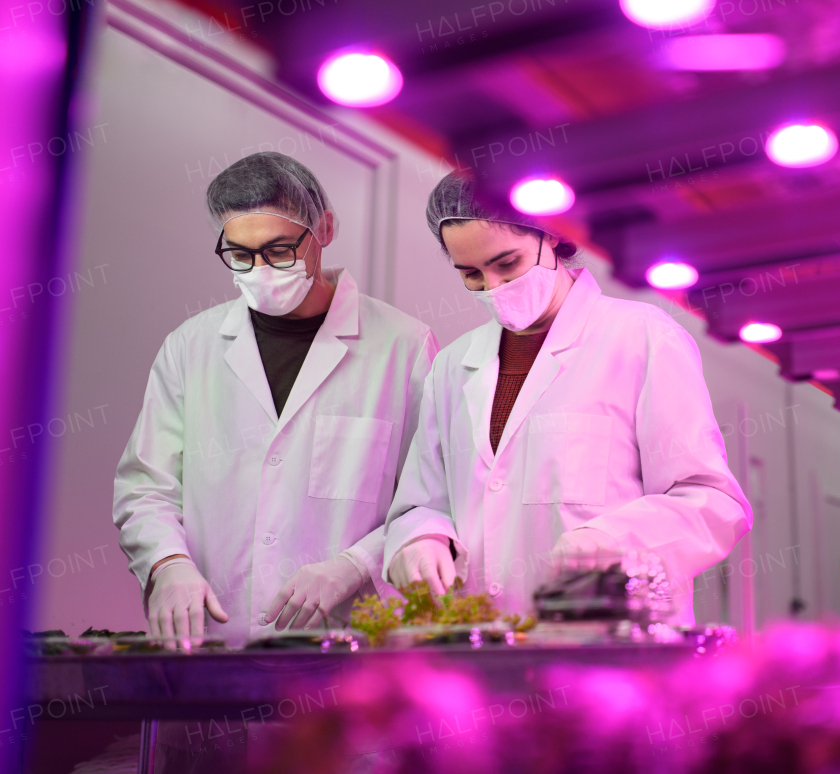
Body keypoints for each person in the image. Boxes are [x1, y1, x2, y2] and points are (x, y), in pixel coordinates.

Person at [383, 172, 750, 623]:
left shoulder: (641, 336)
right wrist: (420, 537)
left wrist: (613, 542)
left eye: (508, 264)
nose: (493, 286)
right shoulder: (452, 366)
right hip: (483, 644)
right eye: (472, 275)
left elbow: (711, 502)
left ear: (552, 235)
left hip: (610, 645)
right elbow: (421, 502)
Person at [113, 152, 438, 645]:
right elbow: (145, 485)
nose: (260, 270)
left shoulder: (403, 345)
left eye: (279, 250)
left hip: (345, 639)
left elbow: (429, 498)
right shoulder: (191, 345)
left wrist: (354, 566)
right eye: (241, 255)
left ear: (324, 230)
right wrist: (168, 563)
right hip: (214, 636)